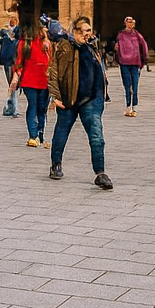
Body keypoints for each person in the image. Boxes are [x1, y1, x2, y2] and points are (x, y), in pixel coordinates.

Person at [48, 15, 112, 189]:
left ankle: (100, 173)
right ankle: (56, 164)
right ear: (75, 32)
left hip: (91, 99)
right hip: (69, 97)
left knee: (97, 136)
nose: (88, 34)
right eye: (85, 31)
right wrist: (55, 95)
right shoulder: (66, 47)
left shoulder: (92, 47)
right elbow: (54, 71)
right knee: (62, 132)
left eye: (90, 30)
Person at [114, 16, 149, 116]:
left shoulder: (137, 35)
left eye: (132, 22)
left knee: (135, 84)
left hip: (134, 62)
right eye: (129, 22)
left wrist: (144, 58)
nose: (131, 24)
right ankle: (128, 105)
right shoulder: (120, 35)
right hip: (124, 62)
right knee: (127, 84)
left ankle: (134, 106)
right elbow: (117, 47)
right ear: (125, 23)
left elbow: (143, 46)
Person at [0, 14, 21, 117]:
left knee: (13, 85)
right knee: (13, 85)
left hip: (12, 62)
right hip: (10, 62)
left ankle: (12, 108)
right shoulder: (6, 33)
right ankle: (12, 108)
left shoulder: (13, 34)